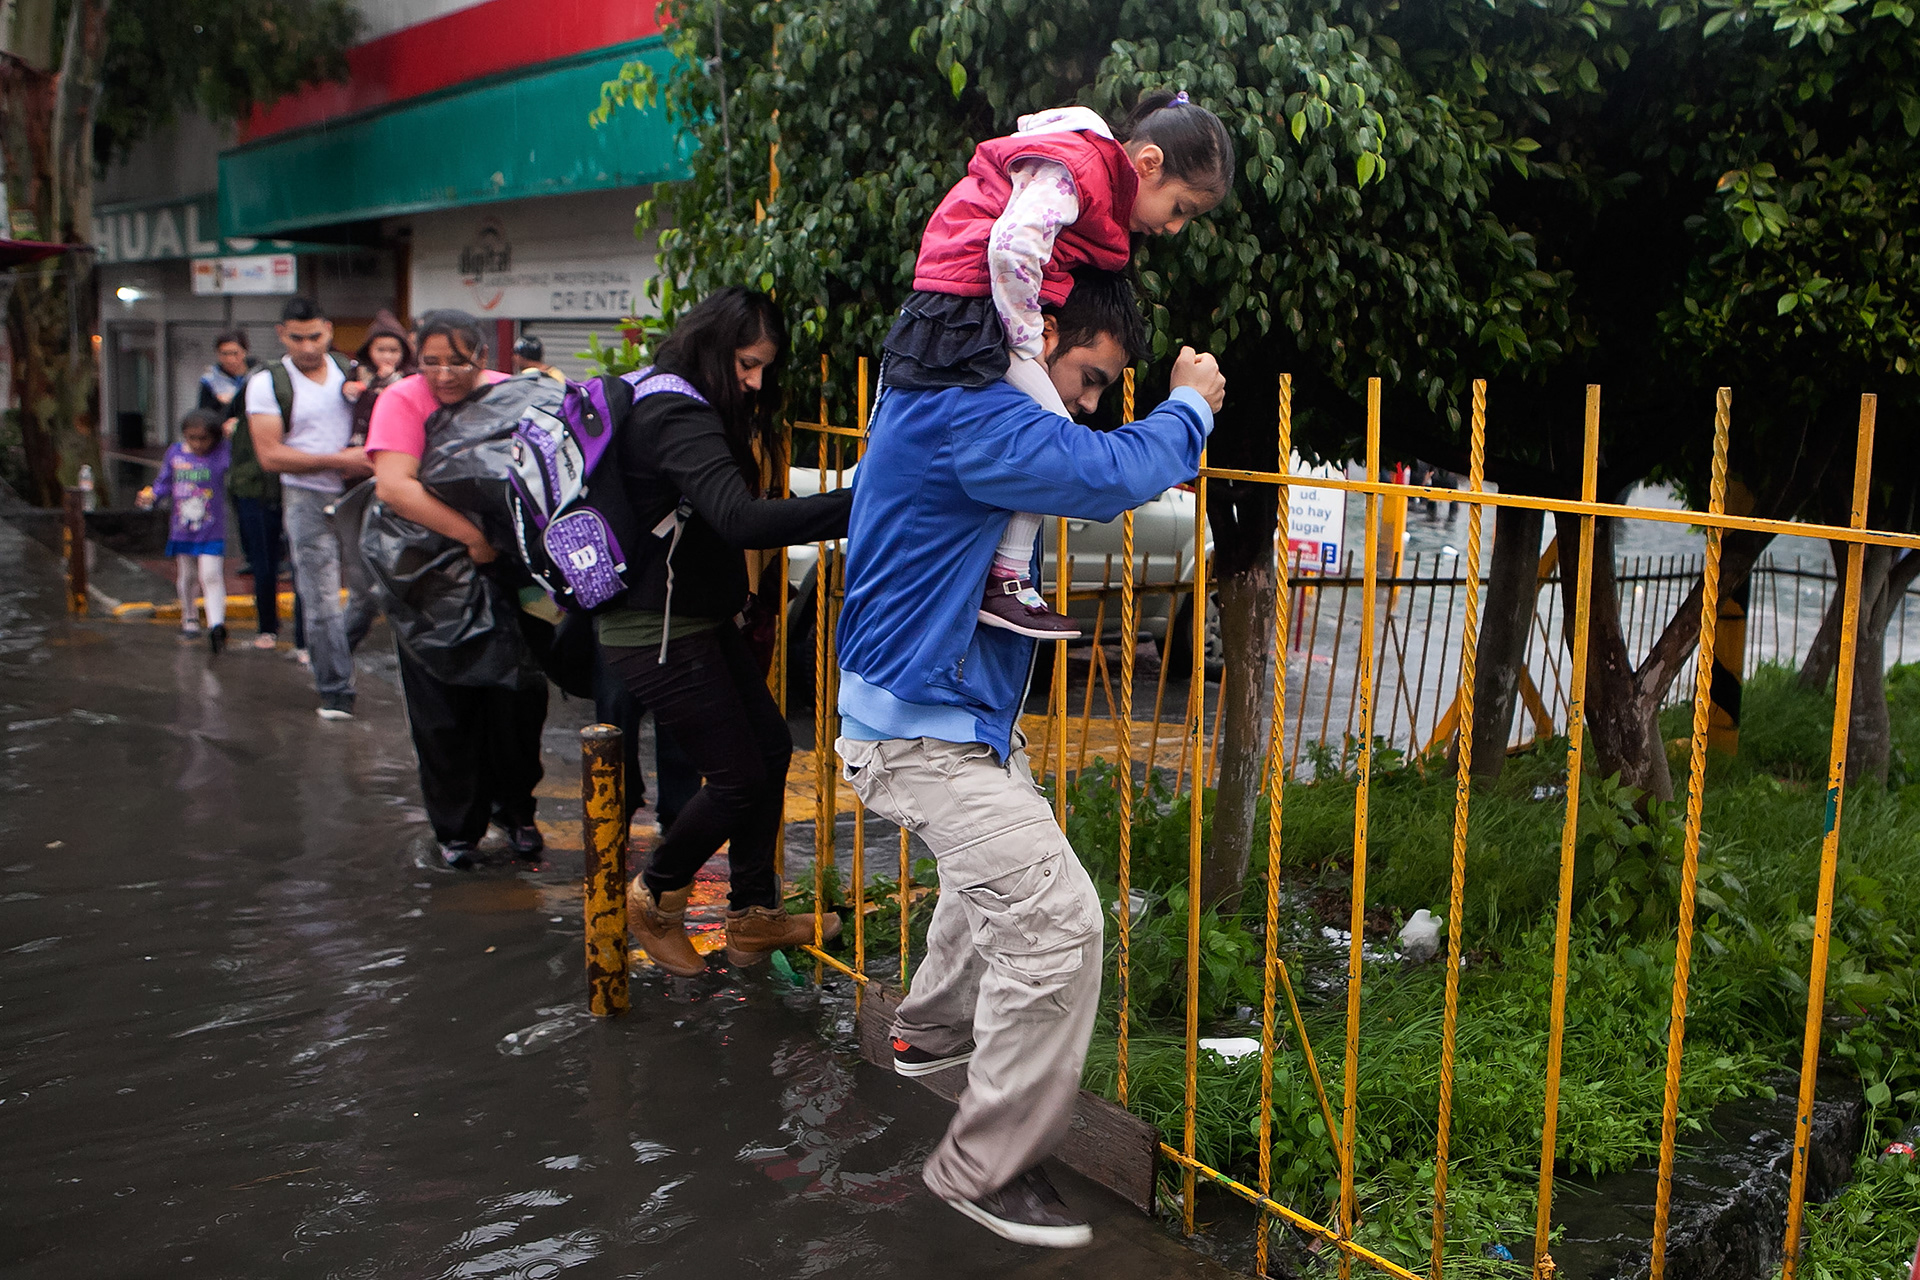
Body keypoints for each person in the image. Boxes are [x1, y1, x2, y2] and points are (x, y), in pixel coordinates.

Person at [835, 271, 1226, 1247]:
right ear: (1039, 331)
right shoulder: (971, 413)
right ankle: (987, 1163)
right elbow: (1103, 477)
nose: (1088, 403)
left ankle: (927, 1033)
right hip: (918, 737)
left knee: (1000, 875)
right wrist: (1189, 409)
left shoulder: (945, 397)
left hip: (952, 726)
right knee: (1059, 919)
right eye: (1090, 376)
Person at [887, 88, 1233, 640]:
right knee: (1058, 433)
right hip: (970, 309)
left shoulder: (1084, 176)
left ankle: (1007, 579)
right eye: (1179, 209)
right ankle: (1006, 582)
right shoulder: (1078, 171)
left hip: (964, 309)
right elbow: (1011, 247)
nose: (1174, 229)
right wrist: (1023, 333)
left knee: (1057, 429)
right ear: (1148, 164)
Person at [596, 287, 849, 976]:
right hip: (656, 627)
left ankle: (754, 915)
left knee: (768, 749)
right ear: (711, 346)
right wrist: (863, 505)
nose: (755, 383)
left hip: (691, 617)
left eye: (764, 367)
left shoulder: (660, 391)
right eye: (746, 364)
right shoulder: (674, 407)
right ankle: (654, 895)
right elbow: (738, 519)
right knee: (737, 777)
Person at [366, 310, 544, 869]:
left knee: (516, 701)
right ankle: (458, 829)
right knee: (443, 708)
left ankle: (517, 812)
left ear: (483, 358)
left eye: (458, 362)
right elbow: (395, 486)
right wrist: (472, 536)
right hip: (428, 576)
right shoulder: (401, 401)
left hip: (505, 572)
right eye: (432, 362)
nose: (444, 375)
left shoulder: (507, 396)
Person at [246, 296, 371, 719]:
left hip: (358, 494)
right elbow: (270, 456)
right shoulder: (267, 382)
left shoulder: (351, 371)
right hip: (304, 496)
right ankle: (335, 688)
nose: (307, 346)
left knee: (371, 590)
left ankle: (333, 654)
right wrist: (340, 460)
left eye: (315, 336)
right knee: (319, 599)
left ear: (329, 330)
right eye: (297, 338)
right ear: (282, 334)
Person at [338, 309, 417, 649]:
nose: (386, 357)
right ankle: (339, 647)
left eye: (393, 351)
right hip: (355, 477)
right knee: (361, 570)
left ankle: (342, 645)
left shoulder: (406, 383)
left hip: (390, 478)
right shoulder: (357, 378)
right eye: (381, 349)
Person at [209, 331, 286, 651]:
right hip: (251, 491)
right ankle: (267, 626)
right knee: (262, 561)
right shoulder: (235, 416)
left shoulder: (284, 408)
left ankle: (304, 639)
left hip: (288, 488)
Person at [137, 409, 233, 654]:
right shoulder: (176, 453)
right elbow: (164, 482)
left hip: (212, 528)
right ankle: (189, 616)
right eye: (192, 437)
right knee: (187, 575)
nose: (198, 444)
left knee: (211, 575)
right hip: (182, 528)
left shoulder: (222, 453)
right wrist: (151, 498)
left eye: (204, 438)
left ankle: (216, 625)